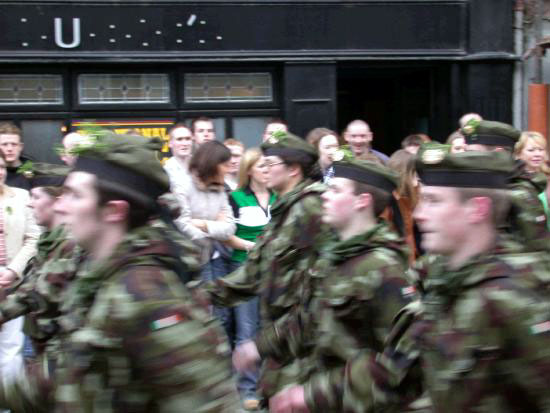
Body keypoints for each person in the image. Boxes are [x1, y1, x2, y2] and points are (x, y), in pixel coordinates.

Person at [276, 150, 550, 412]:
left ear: (477, 209)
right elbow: (397, 371)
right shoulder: (441, 282)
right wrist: (311, 395)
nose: (418, 214)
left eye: (434, 200)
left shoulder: (519, 295)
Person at [0, 132, 239, 412]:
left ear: (114, 211)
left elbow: (209, 403)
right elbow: (69, 373)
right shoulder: (97, 273)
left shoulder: (148, 293)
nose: (61, 205)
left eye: (75, 195)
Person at [233, 154, 411, 413]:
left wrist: (312, 395)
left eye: (335, 190)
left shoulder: (384, 268)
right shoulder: (335, 254)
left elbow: (398, 362)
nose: (324, 195)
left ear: (362, 202)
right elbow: (309, 317)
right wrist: (258, 347)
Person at [199, 131, 335, 402]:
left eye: (270, 164)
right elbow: (255, 273)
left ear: (294, 170)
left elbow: (324, 290)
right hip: (283, 342)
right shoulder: (286, 209)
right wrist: (202, 295)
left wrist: (262, 344)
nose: (263, 170)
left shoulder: (310, 208)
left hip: (306, 347)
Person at [0, 163, 77, 364]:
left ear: (58, 201)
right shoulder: (50, 240)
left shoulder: (70, 243)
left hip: (62, 350)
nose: (29, 203)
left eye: (36, 197)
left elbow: (37, 294)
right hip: (45, 344)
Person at [220, 148, 276, 409]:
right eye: (262, 166)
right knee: (246, 331)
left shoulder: (280, 196)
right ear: (250, 169)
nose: (267, 170)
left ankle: (269, 386)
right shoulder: (236, 197)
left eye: (269, 166)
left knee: (271, 330)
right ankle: (247, 389)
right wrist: (251, 247)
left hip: (274, 272)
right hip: (245, 269)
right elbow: (226, 234)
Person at [462, 119, 549, 252]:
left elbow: (539, 250)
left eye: (472, 153)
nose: (464, 158)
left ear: (499, 153)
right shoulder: (472, 185)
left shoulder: (519, 193)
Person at [0, 153, 40, 385]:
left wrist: (13, 270)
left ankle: (7, 403)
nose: (0, 172)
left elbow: (34, 238)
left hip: (13, 280)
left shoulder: (22, 197)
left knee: (12, 346)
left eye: (2, 167)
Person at [173, 140, 236, 279]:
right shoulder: (182, 186)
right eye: (225, 165)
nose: (228, 170)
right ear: (212, 164)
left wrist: (202, 224)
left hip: (212, 260)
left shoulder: (220, 189)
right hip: (187, 262)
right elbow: (181, 225)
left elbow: (230, 229)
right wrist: (216, 229)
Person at [163, 123, 193, 191]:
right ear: (170, 143)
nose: (184, 143)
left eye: (187, 139)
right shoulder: (166, 170)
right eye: (179, 139)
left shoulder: (200, 165)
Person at [0, 122, 30, 190]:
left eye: (14, 144)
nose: (10, 149)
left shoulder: (32, 169)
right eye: (4, 144)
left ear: (21, 147)